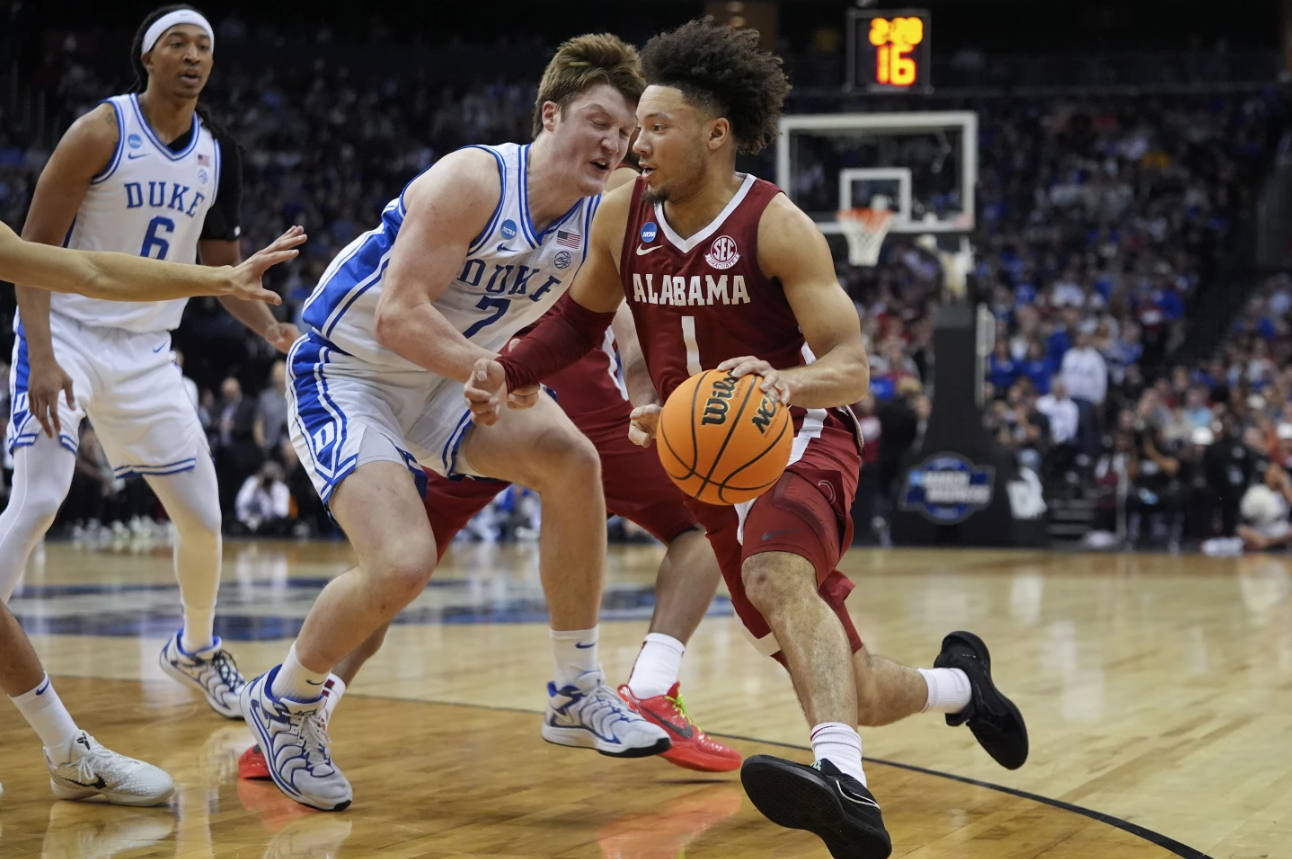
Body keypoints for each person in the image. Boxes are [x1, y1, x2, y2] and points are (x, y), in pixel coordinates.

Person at [480, 21, 1028, 859]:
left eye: (655, 128)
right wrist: (509, 365)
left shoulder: (777, 224)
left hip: (798, 438)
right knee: (848, 680)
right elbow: (579, 322)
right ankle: (962, 684)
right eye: (634, 129)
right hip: (707, 467)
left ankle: (845, 785)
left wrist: (782, 383)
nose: (635, 146)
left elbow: (851, 366)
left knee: (777, 575)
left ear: (715, 134)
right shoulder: (622, 213)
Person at [243, 34, 669, 813]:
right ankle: (285, 697)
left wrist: (645, 390)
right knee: (402, 561)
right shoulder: (473, 180)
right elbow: (400, 315)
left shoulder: (606, 209)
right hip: (350, 369)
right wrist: (487, 368)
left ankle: (575, 689)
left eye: (625, 131)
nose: (614, 144)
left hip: (445, 378)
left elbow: (627, 318)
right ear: (550, 115)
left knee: (573, 461)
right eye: (599, 123)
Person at [237, 302, 740, 783]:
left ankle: (301, 710)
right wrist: (648, 400)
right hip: (573, 397)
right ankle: (650, 683)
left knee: (389, 573)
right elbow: (631, 342)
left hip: (474, 395)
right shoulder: (598, 242)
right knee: (702, 523)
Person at [0, 5, 302, 722]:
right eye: (177, 43)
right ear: (148, 56)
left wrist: (271, 329)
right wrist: (42, 357)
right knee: (39, 500)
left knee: (203, 517)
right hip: (67, 332)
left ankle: (196, 648)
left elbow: (224, 272)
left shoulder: (219, 153)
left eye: (204, 46)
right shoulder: (100, 131)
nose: (193, 56)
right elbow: (29, 253)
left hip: (147, 352)